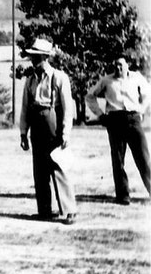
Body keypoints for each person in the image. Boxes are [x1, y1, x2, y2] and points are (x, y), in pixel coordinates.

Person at [19, 39, 77, 224]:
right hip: (36, 126)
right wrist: (23, 133)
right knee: (40, 170)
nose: (33, 60)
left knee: (59, 166)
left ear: (45, 57)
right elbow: (25, 108)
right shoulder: (30, 80)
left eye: (36, 57)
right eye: (32, 57)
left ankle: (69, 211)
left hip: (54, 125)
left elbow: (68, 109)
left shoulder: (59, 77)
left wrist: (66, 133)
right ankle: (44, 210)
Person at [86, 57, 151, 205]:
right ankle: (123, 195)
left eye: (121, 65)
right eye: (115, 65)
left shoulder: (136, 78)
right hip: (114, 121)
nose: (118, 68)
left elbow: (148, 94)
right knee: (118, 160)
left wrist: (141, 109)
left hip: (133, 119)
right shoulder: (106, 80)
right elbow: (90, 96)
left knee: (143, 157)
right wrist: (100, 115)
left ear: (127, 66)